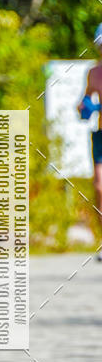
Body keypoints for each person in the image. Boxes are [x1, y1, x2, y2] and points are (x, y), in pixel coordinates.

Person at [78, 23, 102, 256]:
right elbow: (84, 101)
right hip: (101, 135)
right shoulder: (93, 73)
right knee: (99, 186)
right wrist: (84, 106)